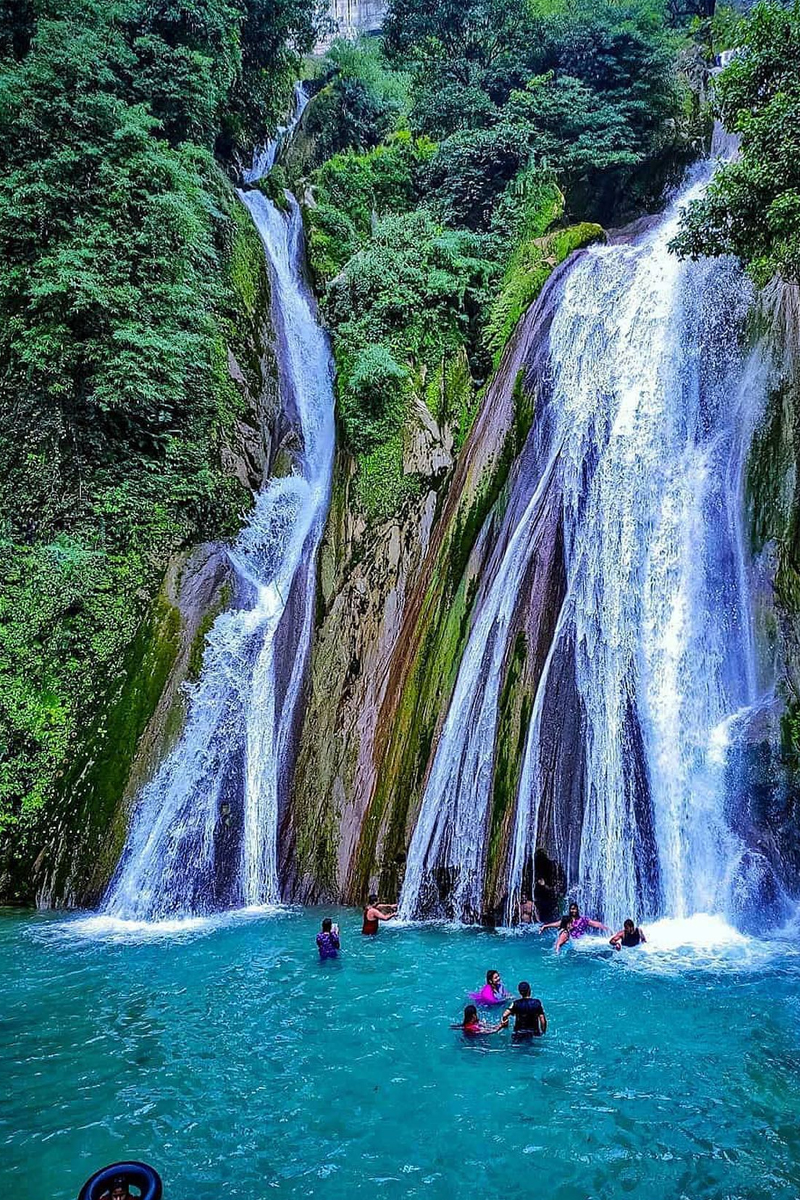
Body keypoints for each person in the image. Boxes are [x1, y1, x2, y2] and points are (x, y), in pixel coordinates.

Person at [541, 901, 609, 952]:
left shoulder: (583, 919)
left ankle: (557, 951)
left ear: (577, 910)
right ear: (569, 910)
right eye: (572, 909)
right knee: (562, 938)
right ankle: (557, 952)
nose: (573, 911)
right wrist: (546, 926)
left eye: (575, 909)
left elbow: (595, 924)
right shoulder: (567, 919)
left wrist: (606, 928)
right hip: (571, 940)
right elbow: (558, 923)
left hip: (580, 941)